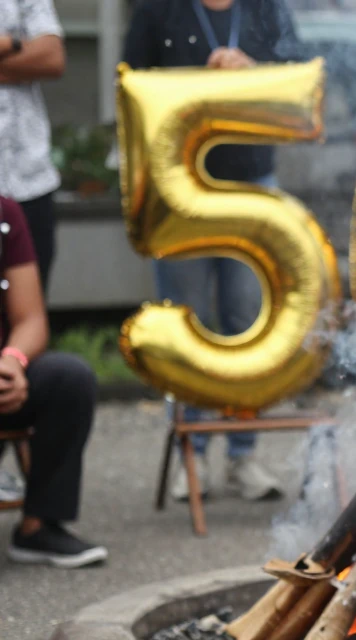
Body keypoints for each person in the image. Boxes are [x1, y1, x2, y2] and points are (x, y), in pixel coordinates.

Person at [122, 0, 302, 502]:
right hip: (182, 189)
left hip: (252, 182)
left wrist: (254, 73)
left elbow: (302, 80)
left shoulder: (268, 9)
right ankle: (192, 455)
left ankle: (242, 456)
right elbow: (130, 87)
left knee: (251, 320)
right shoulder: (158, 10)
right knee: (187, 322)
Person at [0, 197, 106, 569]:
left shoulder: (5, 214)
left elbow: (30, 319)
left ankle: (38, 527)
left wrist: (12, 362)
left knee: (69, 379)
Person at [0, 0, 65, 292]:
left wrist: (7, 44)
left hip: (28, 183)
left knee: (30, 313)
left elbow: (52, 58)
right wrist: (16, 45)